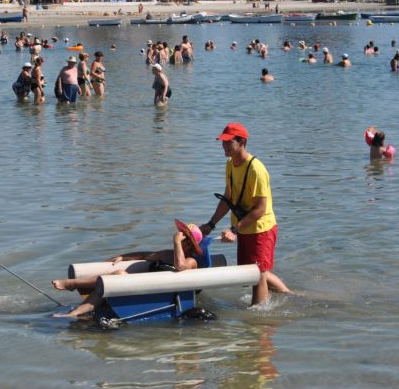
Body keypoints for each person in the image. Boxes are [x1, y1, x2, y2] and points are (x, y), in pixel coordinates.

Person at [199, 123, 291, 306]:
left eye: (228, 142)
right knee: (254, 272)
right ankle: (289, 294)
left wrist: (234, 229)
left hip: (260, 229)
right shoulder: (230, 165)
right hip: (244, 228)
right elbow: (228, 199)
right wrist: (211, 224)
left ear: (242, 142)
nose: (223, 146)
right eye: (222, 141)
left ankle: (259, 317)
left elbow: (260, 209)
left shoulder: (256, 169)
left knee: (257, 274)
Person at [51, 219, 205, 318]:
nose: (178, 236)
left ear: (189, 245)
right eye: (180, 235)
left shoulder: (191, 261)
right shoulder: (167, 254)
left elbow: (180, 266)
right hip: (146, 287)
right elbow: (145, 255)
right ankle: (76, 312)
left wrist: (177, 242)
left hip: (159, 293)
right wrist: (123, 257)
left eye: (183, 236)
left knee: (119, 274)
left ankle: (73, 284)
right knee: (115, 277)